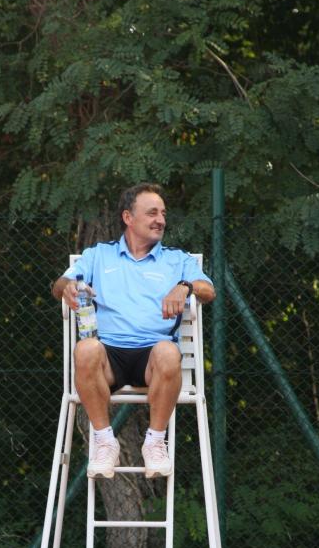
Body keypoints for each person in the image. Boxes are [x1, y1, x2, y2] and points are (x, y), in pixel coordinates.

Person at [52, 183, 216, 479]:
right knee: (85, 348)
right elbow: (60, 284)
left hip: (154, 359)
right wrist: (69, 287)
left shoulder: (176, 259)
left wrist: (185, 286)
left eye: (163, 214)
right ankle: (105, 442)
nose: (161, 220)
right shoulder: (99, 255)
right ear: (128, 217)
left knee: (169, 352)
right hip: (108, 358)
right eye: (152, 213)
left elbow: (208, 290)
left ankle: (155, 443)